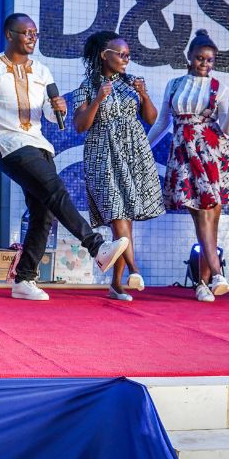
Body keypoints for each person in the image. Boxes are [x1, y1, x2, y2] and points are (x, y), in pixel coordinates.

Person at [0, 13, 129, 301]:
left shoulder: (42, 71)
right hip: (7, 144)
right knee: (55, 190)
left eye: (35, 34)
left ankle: (24, 279)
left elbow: (49, 116)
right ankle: (96, 245)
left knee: (44, 212)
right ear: (9, 34)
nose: (32, 38)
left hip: (38, 144)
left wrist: (57, 108)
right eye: (26, 32)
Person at [148, 29, 229, 303]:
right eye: (200, 58)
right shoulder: (174, 85)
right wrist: (144, 146)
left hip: (213, 153)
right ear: (190, 57)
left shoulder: (219, 88)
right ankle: (218, 275)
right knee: (201, 215)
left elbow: (228, 129)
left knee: (211, 220)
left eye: (210, 60)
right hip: (184, 153)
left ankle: (203, 284)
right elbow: (162, 122)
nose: (205, 63)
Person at [73, 31, 164, 302]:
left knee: (125, 222)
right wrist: (98, 99)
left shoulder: (132, 83)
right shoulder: (88, 86)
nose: (126, 59)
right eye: (121, 54)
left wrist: (144, 95)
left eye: (128, 55)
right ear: (105, 55)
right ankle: (134, 270)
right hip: (102, 154)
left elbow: (151, 118)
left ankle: (116, 285)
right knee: (117, 214)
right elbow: (80, 126)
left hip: (133, 153)